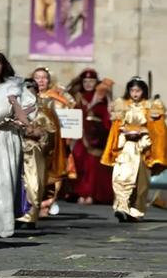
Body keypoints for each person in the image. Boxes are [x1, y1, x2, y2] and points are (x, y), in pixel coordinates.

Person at [0, 49, 34, 238]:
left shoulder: (13, 85)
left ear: (4, 66)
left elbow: (32, 105)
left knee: (4, 179)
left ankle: (3, 225)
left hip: (5, 137)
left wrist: (18, 119)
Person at [101, 77, 167, 222]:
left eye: (138, 90)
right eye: (132, 90)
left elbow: (157, 130)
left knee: (140, 182)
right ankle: (122, 207)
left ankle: (135, 211)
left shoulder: (150, 106)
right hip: (125, 147)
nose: (135, 93)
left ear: (143, 91)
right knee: (121, 177)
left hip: (142, 148)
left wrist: (142, 132)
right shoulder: (123, 105)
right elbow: (115, 128)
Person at [16, 78, 59, 228]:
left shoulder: (43, 111)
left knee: (33, 184)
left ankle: (30, 216)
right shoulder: (15, 109)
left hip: (34, 151)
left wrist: (39, 134)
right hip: (16, 149)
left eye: (31, 89)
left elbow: (51, 132)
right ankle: (15, 214)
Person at [69, 69, 114, 205]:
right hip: (79, 137)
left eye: (91, 81)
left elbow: (107, 116)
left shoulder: (102, 96)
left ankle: (92, 194)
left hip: (97, 138)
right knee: (79, 162)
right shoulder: (77, 97)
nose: (88, 84)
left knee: (94, 166)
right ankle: (80, 193)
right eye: (85, 81)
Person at [31, 67, 72, 216]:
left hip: (53, 142)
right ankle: (34, 203)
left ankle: (48, 202)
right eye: (37, 77)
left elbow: (69, 115)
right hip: (32, 141)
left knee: (52, 173)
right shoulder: (27, 96)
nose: (41, 80)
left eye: (44, 77)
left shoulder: (57, 98)